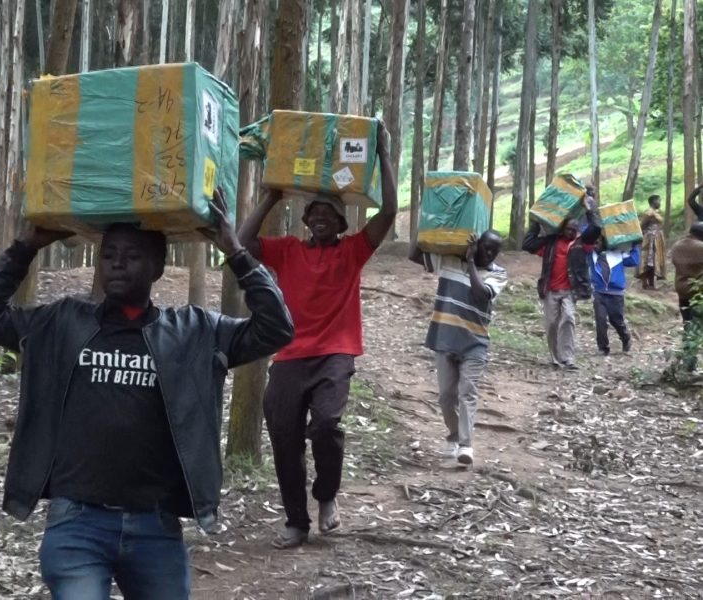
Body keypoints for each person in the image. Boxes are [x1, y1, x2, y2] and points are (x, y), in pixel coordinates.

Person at [0, 190, 294, 599]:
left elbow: (277, 328)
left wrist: (235, 251)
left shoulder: (195, 331)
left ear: (158, 267)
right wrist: (25, 247)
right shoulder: (61, 323)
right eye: (108, 255)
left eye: (132, 255)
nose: (117, 263)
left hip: (156, 529)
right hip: (77, 524)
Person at [237, 126, 397, 549]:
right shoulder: (288, 250)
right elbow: (241, 242)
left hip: (335, 354)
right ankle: (296, 521)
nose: (322, 218)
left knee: (326, 424)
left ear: (342, 224)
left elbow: (389, 213)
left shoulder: (353, 251)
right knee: (283, 434)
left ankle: (326, 495)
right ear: (306, 220)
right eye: (315, 213)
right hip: (290, 356)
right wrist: (272, 196)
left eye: (330, 214)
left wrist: (383, 154)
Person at [411, 231, 507, 465]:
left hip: (475, 343)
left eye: (494, 250)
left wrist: (471, 260)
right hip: (445, 338)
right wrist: (425, 227)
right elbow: (414, 254)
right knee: (446, 397)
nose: (490, 253)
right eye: (486, 247)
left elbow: (482, 294)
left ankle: (466, 445)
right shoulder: (450, 261)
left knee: (467, 392)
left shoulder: (498, 273)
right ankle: (454, 434)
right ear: (476, 244)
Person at [522, 192, 602, 370]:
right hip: (550, 289)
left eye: (575, 230)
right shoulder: (551, 242)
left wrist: (589, 210)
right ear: (562, 229)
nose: (572, 232)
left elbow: (596, 228)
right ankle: (554, 358)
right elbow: (527, 244)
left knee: (568, 318)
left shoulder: (581, 243)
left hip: (570, 291)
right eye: (569, 229)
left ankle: (567, 358)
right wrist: (537, 221)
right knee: (551, 324)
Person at [589, 238, 640, 355]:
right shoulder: (591, 256)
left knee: (616, 319)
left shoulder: (617, 254)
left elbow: (634, 260)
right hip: (599, 292)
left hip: (616, 293)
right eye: (593, 243)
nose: (595, 246)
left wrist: (634, 245)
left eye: (597, 242)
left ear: (604, 243)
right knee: (600, 320)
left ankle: (625, 337)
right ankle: (603, 348)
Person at [671, 222, 703, 372]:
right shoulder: (700, 247)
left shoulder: (677, 246)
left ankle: (688, 362)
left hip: (682, 291)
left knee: (688, 325)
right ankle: (690, 364)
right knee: (697, 328)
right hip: (698, 293)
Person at [637, 195, 667, 290]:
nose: (660, 203)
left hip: (657, 238)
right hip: (649, 239)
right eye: (658, 200)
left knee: (654, 260)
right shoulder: (648, 212)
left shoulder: (655, 212)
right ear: (653, 201)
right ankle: (644, 283)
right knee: (647, 259)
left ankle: (652, 283)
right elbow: (642, 225)